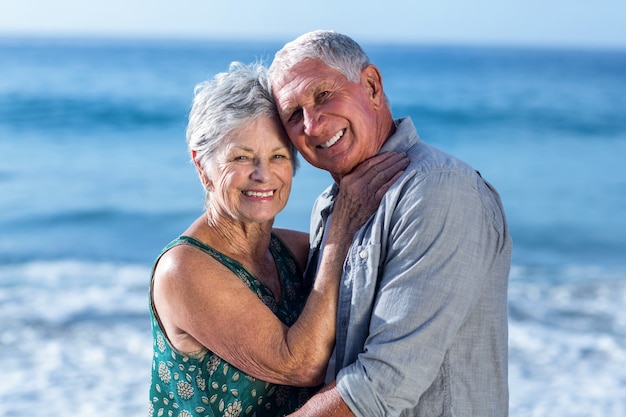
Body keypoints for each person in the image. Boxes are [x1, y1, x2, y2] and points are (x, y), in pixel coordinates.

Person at [266, 30, 513, 417]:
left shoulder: (437, 189)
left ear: (371, 85)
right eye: (294, 115)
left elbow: (384, 384)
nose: (312, 125)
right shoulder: (331, 206)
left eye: (323, 95)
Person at [148, 61, 408, 417]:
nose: (262, 175)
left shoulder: (293, 251)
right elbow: (300, 364)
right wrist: (342, 224)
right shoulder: (183, 270)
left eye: (278, 156)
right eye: (241, 157)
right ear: (201, 166)